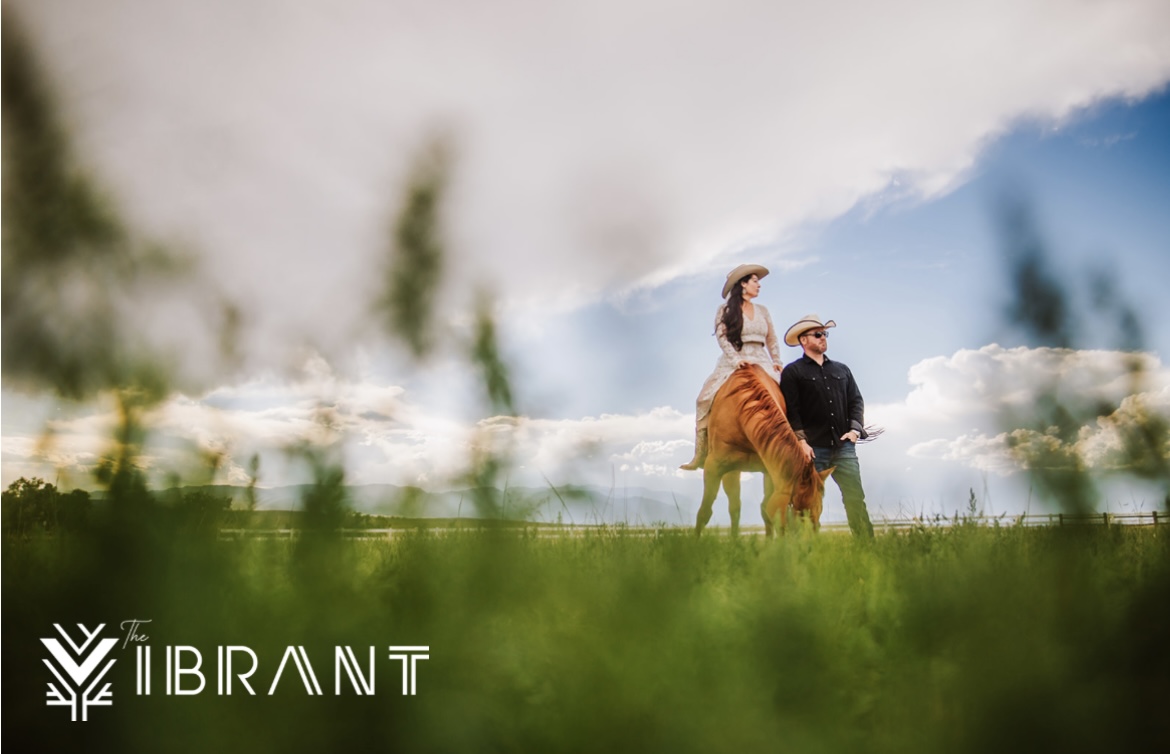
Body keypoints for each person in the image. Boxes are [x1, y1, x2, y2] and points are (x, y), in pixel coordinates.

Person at [679, 263, 783, 470]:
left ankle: (795, 443)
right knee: (703, 399)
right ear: (743, 284)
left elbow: (772, 339)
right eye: (755, 281)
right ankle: (701, 452)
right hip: (734, 359)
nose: (759, 286)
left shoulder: (763, 311)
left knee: (789, 393)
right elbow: (722, 337)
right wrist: (735, 360)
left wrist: (777, 361)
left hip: (761, 358)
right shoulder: (725, 310)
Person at [779, 314, 875, 538]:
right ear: (803, 340)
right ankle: (802, 549)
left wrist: (854, 430)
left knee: (855, 498)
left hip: (844, 448)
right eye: (818, 334)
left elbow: (856, 401)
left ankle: (867, 547)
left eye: (825, 334)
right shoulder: (793, 372)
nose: (824, 338)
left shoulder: (842, 370)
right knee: (804, 501)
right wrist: (801, 441)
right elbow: (791, 410)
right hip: (812, 450)